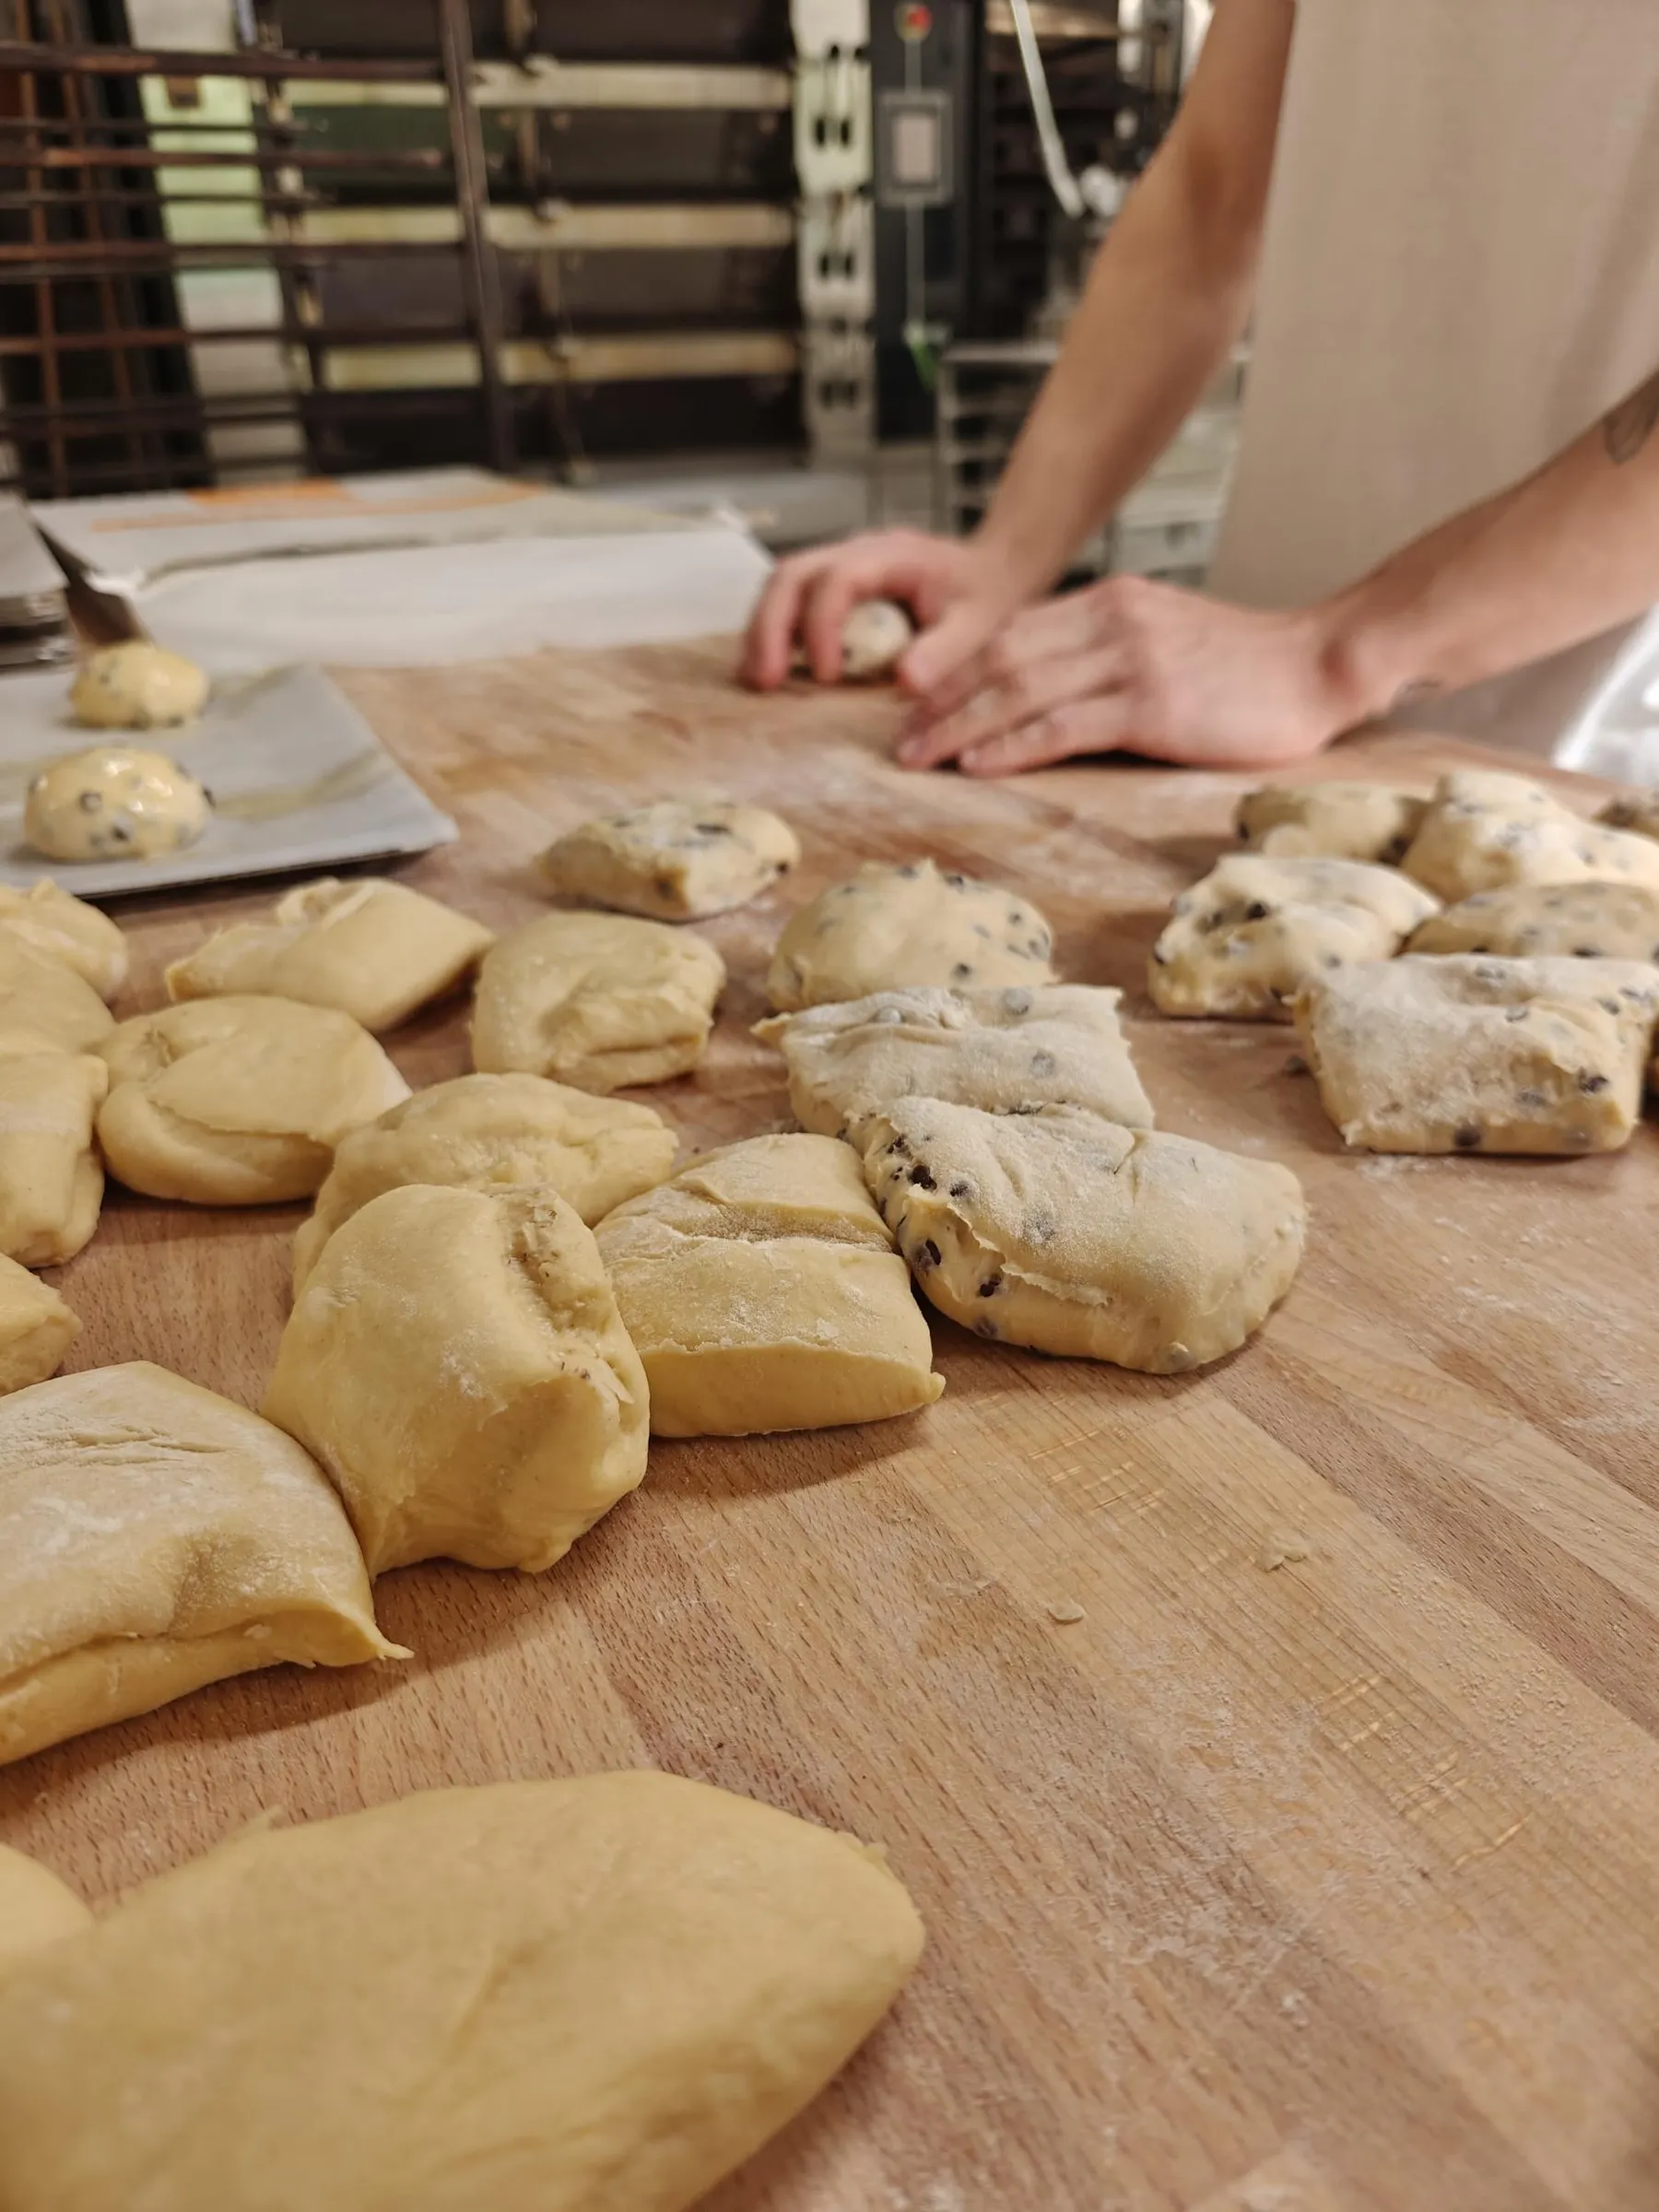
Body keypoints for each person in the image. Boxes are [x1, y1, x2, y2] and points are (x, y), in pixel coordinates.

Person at [742, 0, 1659, 781]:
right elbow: (1210, 195)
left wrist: (1337, 655)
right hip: (1250, 721)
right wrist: (1006, 559)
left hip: (1585, 779)